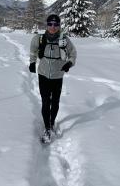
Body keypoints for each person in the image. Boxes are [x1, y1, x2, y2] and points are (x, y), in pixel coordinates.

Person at [29, 14, 77, 143]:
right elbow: (33, 50)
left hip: (57, 76)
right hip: (43, 74)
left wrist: (69, 63)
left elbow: (73, 53)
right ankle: (47, 128)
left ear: (59, 26)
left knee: (55, 102)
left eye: (56, 24)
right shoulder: (39, 39)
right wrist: (32, 62)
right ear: (47, 25)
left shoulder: (64, 40)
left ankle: (52, 121)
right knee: (45, 101)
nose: (53, 27)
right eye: (50, 24)